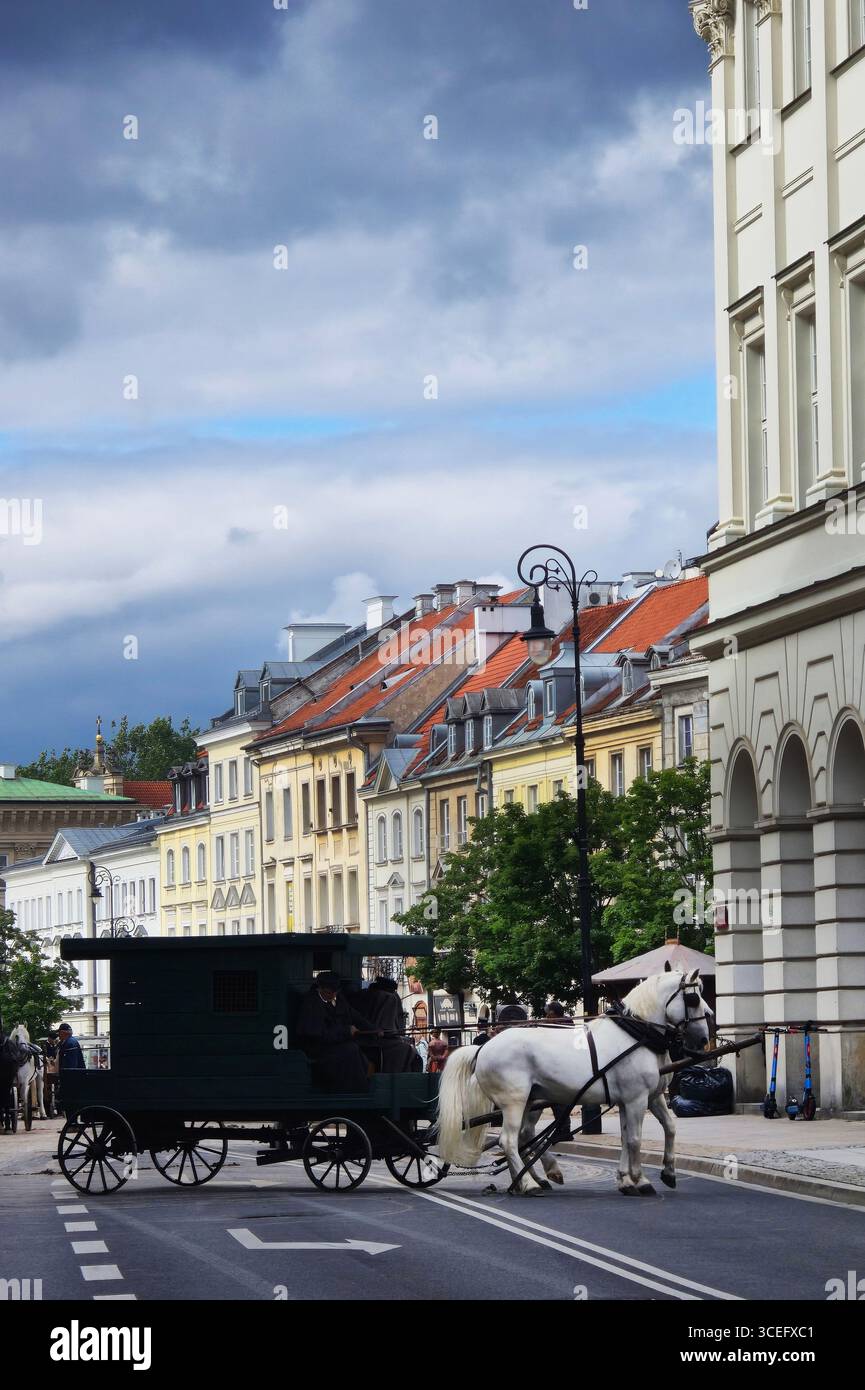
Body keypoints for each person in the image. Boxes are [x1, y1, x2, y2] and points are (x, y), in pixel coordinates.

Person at [296, 971, 374, 1093]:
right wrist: (346, 1031)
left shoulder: (339, 999)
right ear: (319, 988)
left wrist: (374, 1029)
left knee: (358, 1047)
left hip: (336, 1044)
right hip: (319, 1050)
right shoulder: (311, 1004)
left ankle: (363, 1084)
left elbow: (356, 1016)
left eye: (335, 992)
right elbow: (318, 1035)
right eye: (328, 992)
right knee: (351, 1050)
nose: (332, 995)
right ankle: (354, 1091)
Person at [362, 979, 421, 1073]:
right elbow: (391, 1026)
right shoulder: (389, 997)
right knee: (407, 1051)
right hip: (380, 1038)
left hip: (374, 1035)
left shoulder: (369, 994)